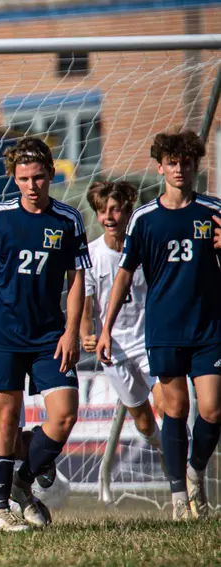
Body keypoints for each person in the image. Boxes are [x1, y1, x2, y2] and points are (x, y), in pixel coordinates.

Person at [0, 138, 90, 531]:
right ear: (14, 179)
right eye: (24, 178)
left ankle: (23, 485)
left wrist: (71, 332)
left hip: (49, 337)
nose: (32, 185)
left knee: (64, 416)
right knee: (5, 420)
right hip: (3, 334)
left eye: (38, 177)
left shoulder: (68, 220)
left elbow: (77, 279)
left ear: (50, 175)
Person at [97, 131, 221, 520]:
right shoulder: (144, 218)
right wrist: (105, 328)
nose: (180, 169)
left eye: (186, 162)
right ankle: (178, 498)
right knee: (175, 410)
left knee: (214, 410)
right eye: (172, 162)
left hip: (209, 327)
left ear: (195, 165)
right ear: (160, 167)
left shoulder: (214, 210)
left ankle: (195, 471)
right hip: (166, 328)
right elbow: (124, 275)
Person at [80, 181, 165, 460]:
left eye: (115, 210)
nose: (109, 217)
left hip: (148, 340)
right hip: (113, 348)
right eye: (102, 211)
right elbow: (86, 302)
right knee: (143, 421)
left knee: (167, 404)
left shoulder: (145, 247)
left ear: (128, 211)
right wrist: (86, 334)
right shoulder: (91, 255)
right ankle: (167, 454)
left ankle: (181, 466)